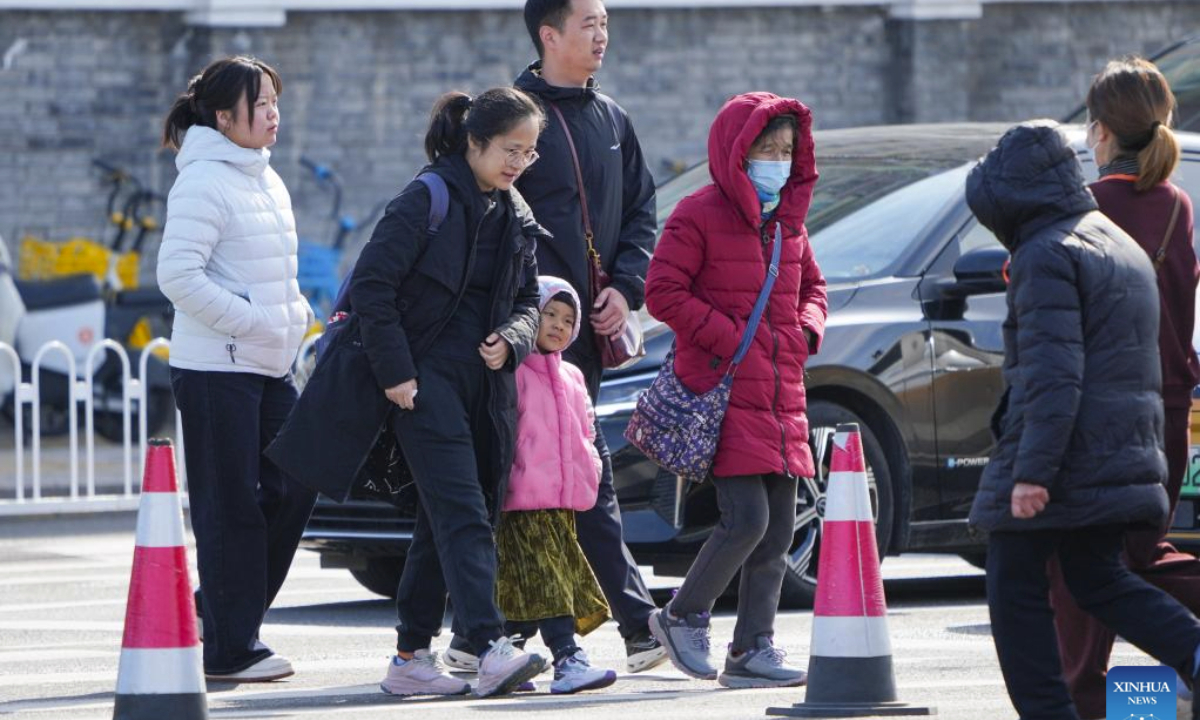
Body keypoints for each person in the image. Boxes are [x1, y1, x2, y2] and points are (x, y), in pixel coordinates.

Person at [966, 120, 1200, 720]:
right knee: (1098, 577)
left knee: (1014, 585)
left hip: (1067, 456)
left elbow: (1052, 373)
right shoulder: (1110, 237)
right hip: (1120, 452)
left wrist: (1032, 472)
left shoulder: (1047, 252)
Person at [345, 88, 551, 698]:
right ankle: (487, 644)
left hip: (484, 387)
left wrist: (514, 340)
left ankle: (410, 658)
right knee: (462, 511)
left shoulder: (513, 210)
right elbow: (372, 287)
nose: (519, 162)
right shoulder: (425, 198)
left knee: (446, 521)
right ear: (474, 142)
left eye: (529, 153)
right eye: (511, 149)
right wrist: (396, 374)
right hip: (423, 384)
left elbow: (528, 300)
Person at [643, 92, 826, 688]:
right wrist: (730, 338)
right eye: (764, 150)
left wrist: (805, 332)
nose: (776, 160)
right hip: (724, 394)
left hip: (780, 394)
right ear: (736, 152)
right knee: (745, 519)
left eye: (785, 150)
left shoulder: (790, 225)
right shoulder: (699, 212)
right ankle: (681, 615)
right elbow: (662, 290)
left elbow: (814, 291)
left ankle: (752, 649)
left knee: (776, 530)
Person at [1047, 56, 1200, 720]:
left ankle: (1078, 698)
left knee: (1078, 565)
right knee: (1139, 555)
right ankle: (1087, 695)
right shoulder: (1175, 205)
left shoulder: (1086, 206)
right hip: (1167, 408)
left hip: (1104, 412)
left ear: (1101, 129)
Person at [157, 56, 317, 682]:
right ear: (225, 117)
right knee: (231, 509)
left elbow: (271, 268)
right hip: (216, 369)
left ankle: (217, 614)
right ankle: (230, 648)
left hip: (269, 367)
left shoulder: (263, 176)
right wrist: (252, 318)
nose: (274, 114)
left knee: (297, 483)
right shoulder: (202, 180)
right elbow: (177, 276)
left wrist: (291, 310)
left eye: (277, 101)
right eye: (262, 103)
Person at [495, 275, 618, 694]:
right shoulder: (514, 371)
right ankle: (567, 658)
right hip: (522, 498)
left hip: (562, 500)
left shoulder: (573, 376)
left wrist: (592, 470)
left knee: (530, 586)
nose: (558, 325)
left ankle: (506, 653)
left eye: (568, 319)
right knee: (551, 581)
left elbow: (586, 430)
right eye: (549, 314)